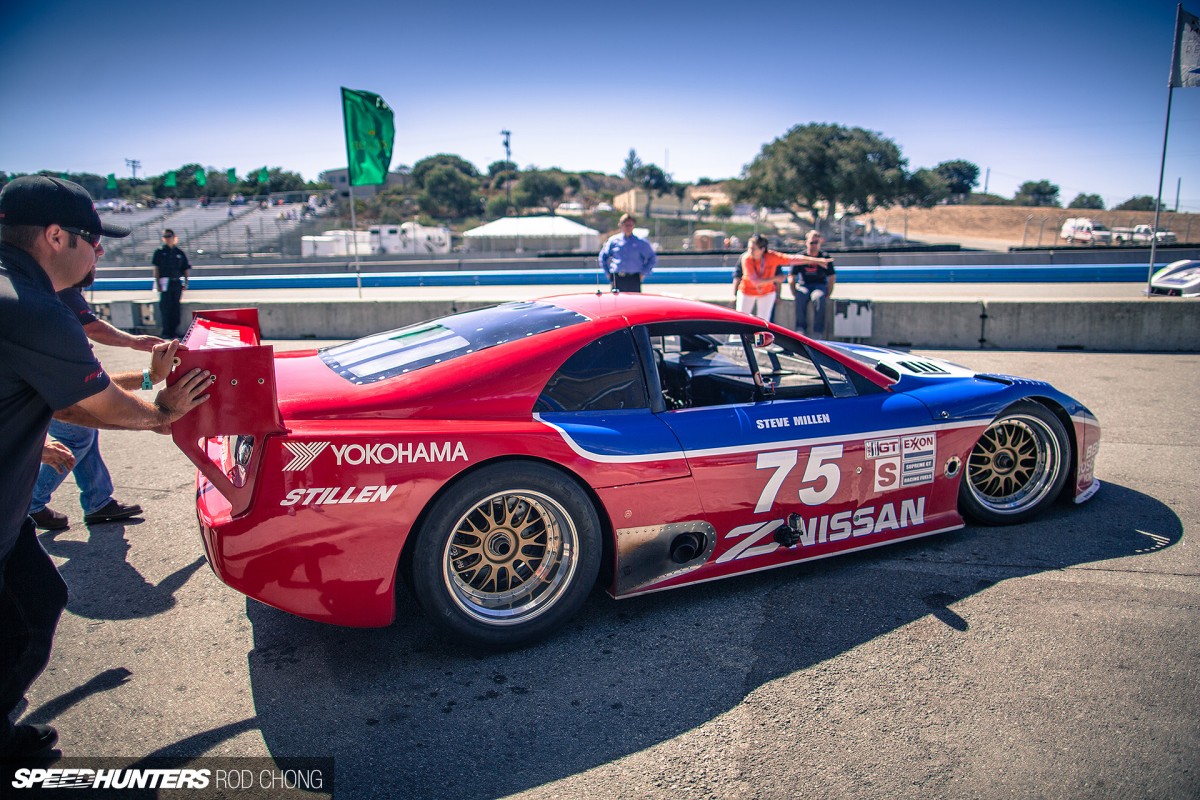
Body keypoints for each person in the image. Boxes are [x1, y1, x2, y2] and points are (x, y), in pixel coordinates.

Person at [0, 176, 213, 759]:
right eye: (93, 240)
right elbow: (92, 406)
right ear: (53, 236)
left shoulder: (12, 289)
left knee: (34, 603)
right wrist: (162, 410)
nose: (100, 251)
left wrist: (146, 381)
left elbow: (54, 392)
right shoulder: (36, 310)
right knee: (21, 622)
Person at [28, 288, 167, 530]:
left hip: (61, 394)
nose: (100, 252)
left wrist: (150, 378)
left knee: (85, 439)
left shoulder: (47, 298)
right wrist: (155, 418)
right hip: (58, 398)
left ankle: (98, 501)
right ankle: (33, 502)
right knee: (77, 439)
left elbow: (97, 383)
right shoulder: (60, 291)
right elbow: (87, 396)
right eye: (93, 247)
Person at [733, 234, 833, 322]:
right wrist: (775, 279)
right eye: (749, 248)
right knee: (741, 320)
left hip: (766, 292)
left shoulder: (772, 257)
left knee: (763, 321)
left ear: (762, 249)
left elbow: (793, 259)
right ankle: (735, 341)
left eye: (753, 249)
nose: (750, 251)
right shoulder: (746, 258)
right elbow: (755, 282)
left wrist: (816, 260)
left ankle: (761, 343)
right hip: (747, 291)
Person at [789, 230, 837, 336]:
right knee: (800, 296)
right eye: (811, 243)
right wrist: (793, 290)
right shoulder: (800, 257)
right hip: (804, 284)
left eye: (816, 243)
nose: (814, 245)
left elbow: (832, 276)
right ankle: (800, 328)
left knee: (819, 298)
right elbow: (791, 276)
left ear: (820, 243)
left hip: (819, 285)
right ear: (806, 243)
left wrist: (829, 292)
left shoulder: (825, 257)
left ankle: (818, 331)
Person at [598, 213, 656, 292]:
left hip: (634, 278)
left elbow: (652, 258)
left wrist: (643, 273)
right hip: (617, 278)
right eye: (625, 224)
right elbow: (603, 257)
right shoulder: (613, 241)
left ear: (633, 226)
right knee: (617, 303)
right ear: (620, 225)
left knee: (634, 303)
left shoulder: (641, 242)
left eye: (630, 225)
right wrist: (607, 273)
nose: (628, 227)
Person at [152, 229, 190, 338]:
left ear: (174, 237)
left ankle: (174, 331)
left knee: (175, 308)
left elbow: (185, 269)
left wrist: (186, 283)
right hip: (165, 283)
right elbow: (156, 269)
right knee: (165, 308)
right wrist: (158, 284)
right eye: (166, 236)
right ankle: (166, 332)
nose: (168, 238)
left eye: (170, 236)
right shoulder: (159, 252)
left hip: (176, 282)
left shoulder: (179, 253)